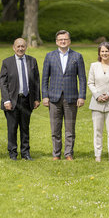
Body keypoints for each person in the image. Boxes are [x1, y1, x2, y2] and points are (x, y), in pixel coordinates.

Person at [42, 30, 86, 161]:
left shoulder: (77, 57)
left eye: (65, 39)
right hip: (54, 97)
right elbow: (45, 78)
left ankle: (68, 153)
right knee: (55, 128)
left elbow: (82, 79)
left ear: (69, 41)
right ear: (56, 42)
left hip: (71, 97)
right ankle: (56, 154)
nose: (63, 41)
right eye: (60, 39)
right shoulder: (49, 56)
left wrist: (81, 96)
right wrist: (45, 95)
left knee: (70, 128)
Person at [0, 38, 40, 161]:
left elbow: (36, 81)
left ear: (26, 47)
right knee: (12, 128)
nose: (20, 48)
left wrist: (37, 98)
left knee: (25, 127)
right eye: (18, 46)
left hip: (27, 100)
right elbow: (3, 83)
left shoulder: (32, 61)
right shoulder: (7, 62)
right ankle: (12, 153)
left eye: (23, 46)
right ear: (14, 47)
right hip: (12, 101)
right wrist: (6, 100)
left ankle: (25, 153)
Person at [88, 42, 109, 163]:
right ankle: (98, 155)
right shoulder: (94, 66)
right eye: (102, 51)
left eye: (107, 51)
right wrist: (97, 95)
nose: (104, 53)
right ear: (99, 53)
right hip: (96, 103)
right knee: (97, 131)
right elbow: (90, 83)